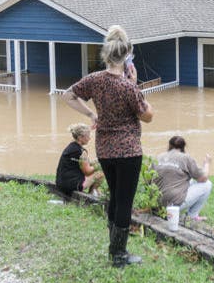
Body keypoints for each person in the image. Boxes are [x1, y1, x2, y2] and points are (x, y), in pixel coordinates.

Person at [62, 25, 154, 268]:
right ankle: (118, 255)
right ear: (126, 56)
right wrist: (135, 84)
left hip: (105, 149)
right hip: (128, 151)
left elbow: (67, 95)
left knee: (115, 197)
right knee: (124, 202)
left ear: (107, 54)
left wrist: (91, 114)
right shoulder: (127, 87)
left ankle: (115, 249)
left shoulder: (95, 80)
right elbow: (148, 116)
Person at [154, 136, 212, 221]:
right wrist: (207, 164)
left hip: (155, 204)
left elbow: (149, 180)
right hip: (172, 206)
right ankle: (192, 216)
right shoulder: (185, 157)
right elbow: (203, 178)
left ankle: (158, 208)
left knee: (191, 180)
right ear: (183, 147)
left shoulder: (158, 157)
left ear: (169, 146)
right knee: (207, 184)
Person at [56, 123, 104, 197]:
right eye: (88, 136)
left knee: (95, 167)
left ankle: (95, 192)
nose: (89, 138)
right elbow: (87, 172)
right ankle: (92, 194)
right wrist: (99, 165)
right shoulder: (81, 152)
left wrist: (96, 161)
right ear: (80, 138)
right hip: (73, 186)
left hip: (61, 184)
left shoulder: (71, 147)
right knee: (100, 172)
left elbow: (82, 163)